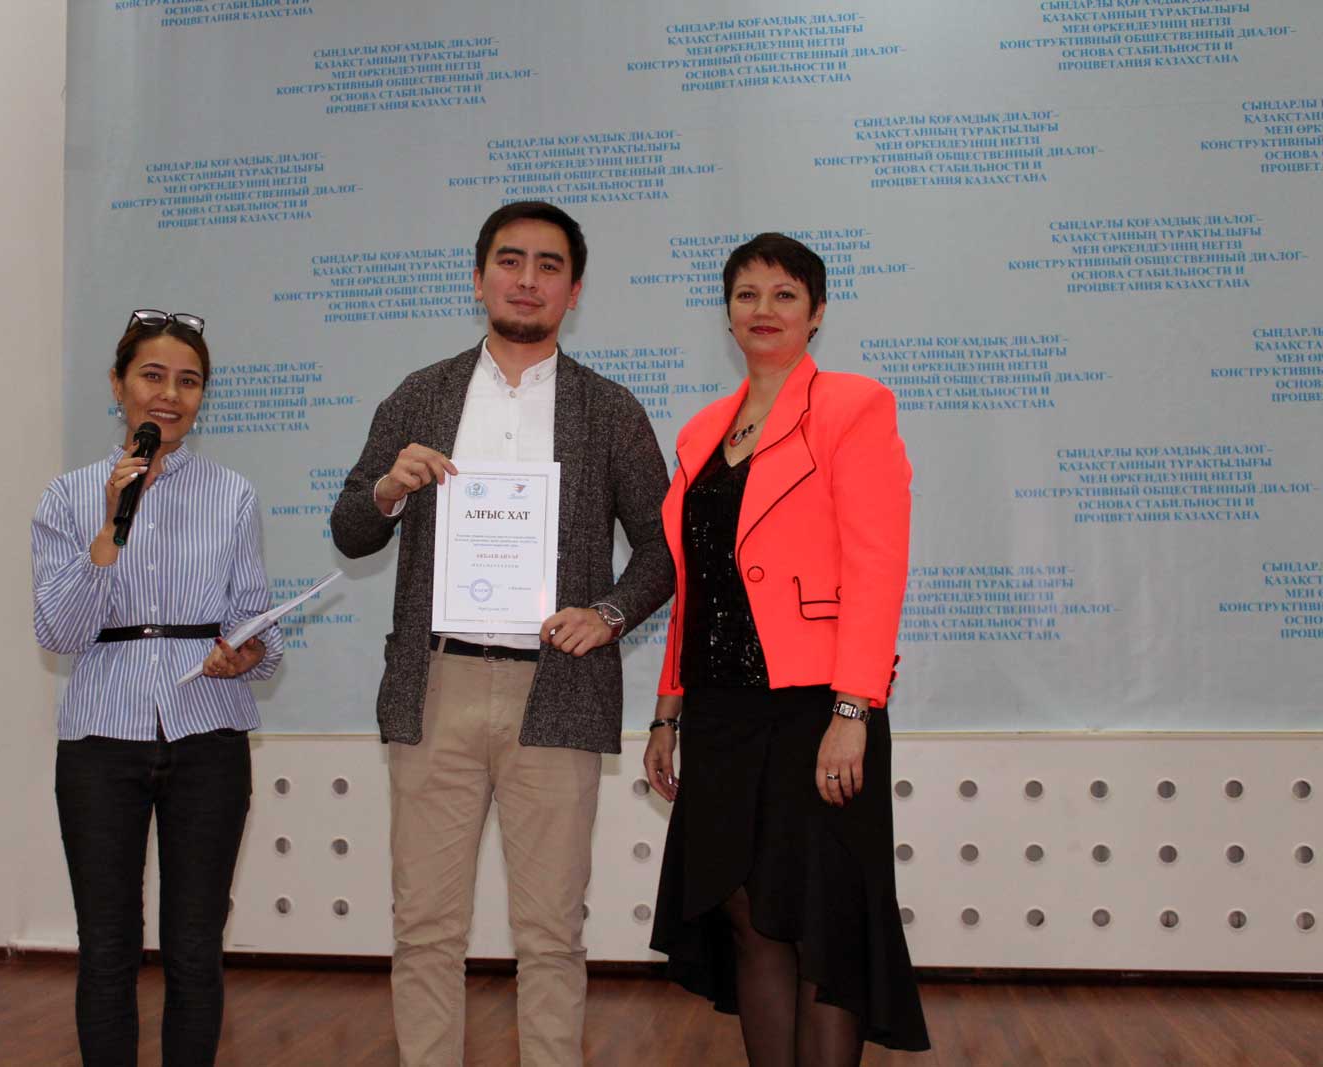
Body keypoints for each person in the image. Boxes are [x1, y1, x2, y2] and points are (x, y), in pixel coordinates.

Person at [330, 201, 673, 1067]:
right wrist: (387, 490)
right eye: (510, 261)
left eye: (549, 265)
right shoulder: (422, 394)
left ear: (574, 290)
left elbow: (664, 550)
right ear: (478, 277)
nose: (528, 279)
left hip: (555, 690)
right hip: (437, 684)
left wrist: (608, 614)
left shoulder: (609, 408)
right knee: (425, 927)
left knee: (551, 932)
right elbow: (350, 527)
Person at [644, 234, 930, 1065]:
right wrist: (667, 710)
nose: (763, 310)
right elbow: (697, 582)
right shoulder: (701, 430)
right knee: (746, 913)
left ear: (817, 312)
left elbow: (877, 566)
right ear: (727, 312)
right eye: (746, 295)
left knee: (820, 922)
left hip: (817, 706)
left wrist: (854, 708)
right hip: (721, 709)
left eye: (784, 295)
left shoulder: (853, 405)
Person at [32, 309, 284, 1067]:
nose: (170, 395)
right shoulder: (68, 496)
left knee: (195, 947)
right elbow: (60, 631)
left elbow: (255, 622)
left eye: (189, 381)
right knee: (107, 946)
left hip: (209, 734)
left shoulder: (232, 494)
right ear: (118, 386)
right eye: (152, 376)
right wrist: (111, 525)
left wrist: (247, 652)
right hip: (100, 740)